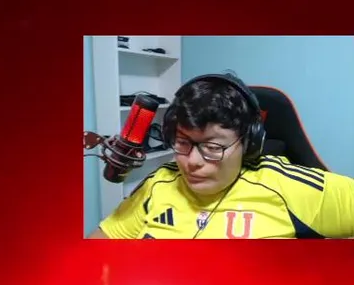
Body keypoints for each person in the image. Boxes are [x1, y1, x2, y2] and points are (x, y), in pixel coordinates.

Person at [88, 72, 354, 239]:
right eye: (183, 143)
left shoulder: (288, 187)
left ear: (248, 144)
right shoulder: (158, 184)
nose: (192, 162)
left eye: (213, 147)